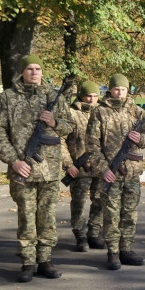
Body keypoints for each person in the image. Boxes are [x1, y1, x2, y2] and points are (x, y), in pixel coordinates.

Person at [0, 55, 72, 282]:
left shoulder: (55, 96)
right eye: (30, 68)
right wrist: (13, 161)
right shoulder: (8, 97)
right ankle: (28, 261)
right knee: (26, 217)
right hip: (22, 168)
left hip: (50, 169)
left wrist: (54, 122)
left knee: (47, 216)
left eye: (38, 68)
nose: (35, 72)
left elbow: (70, 126)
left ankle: (45, 259)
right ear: (22, 72)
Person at [86, 74, 145, 270]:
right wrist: (103, 169)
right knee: (111, 214)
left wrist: (140, 138)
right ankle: (113, 252)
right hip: (110, 173)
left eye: (123, 89)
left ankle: (126, 250)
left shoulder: (137, 112)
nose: (119, 92)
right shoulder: (100, 112)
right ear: (110, 90)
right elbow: (92, 145)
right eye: (116, 89)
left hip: (131, 173)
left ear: (127, 90)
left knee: (129, 213)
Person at [62, 80, 103, 252]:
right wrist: (68, 164)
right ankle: (80, 235)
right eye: (88, 96)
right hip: (79, 168)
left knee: (100, 201)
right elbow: (60, 140)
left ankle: (94, 233)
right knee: (78, 203)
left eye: (95, 96)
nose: (92, 99)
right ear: (81, 96)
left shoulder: (103, 112)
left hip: (100, 166)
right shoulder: (71, 113)